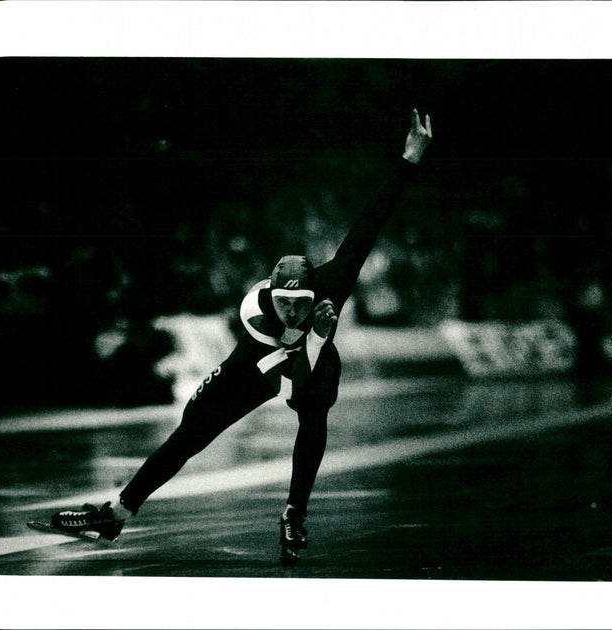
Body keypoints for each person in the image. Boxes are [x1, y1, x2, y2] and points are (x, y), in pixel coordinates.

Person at [49, 107, 433, 564]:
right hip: (262, 360)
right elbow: (280, 373)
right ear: (272, 295)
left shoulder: (334, 284)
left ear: (317, 292)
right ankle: (117, 511)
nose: (293, 309)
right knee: (194, 429)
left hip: (315, 358)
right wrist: (312, 337)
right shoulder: (255, 310)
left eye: (302, 302)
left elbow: (370, 223)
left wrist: (409, 160)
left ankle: (295, 512)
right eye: (285, 303)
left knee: (314, 416)